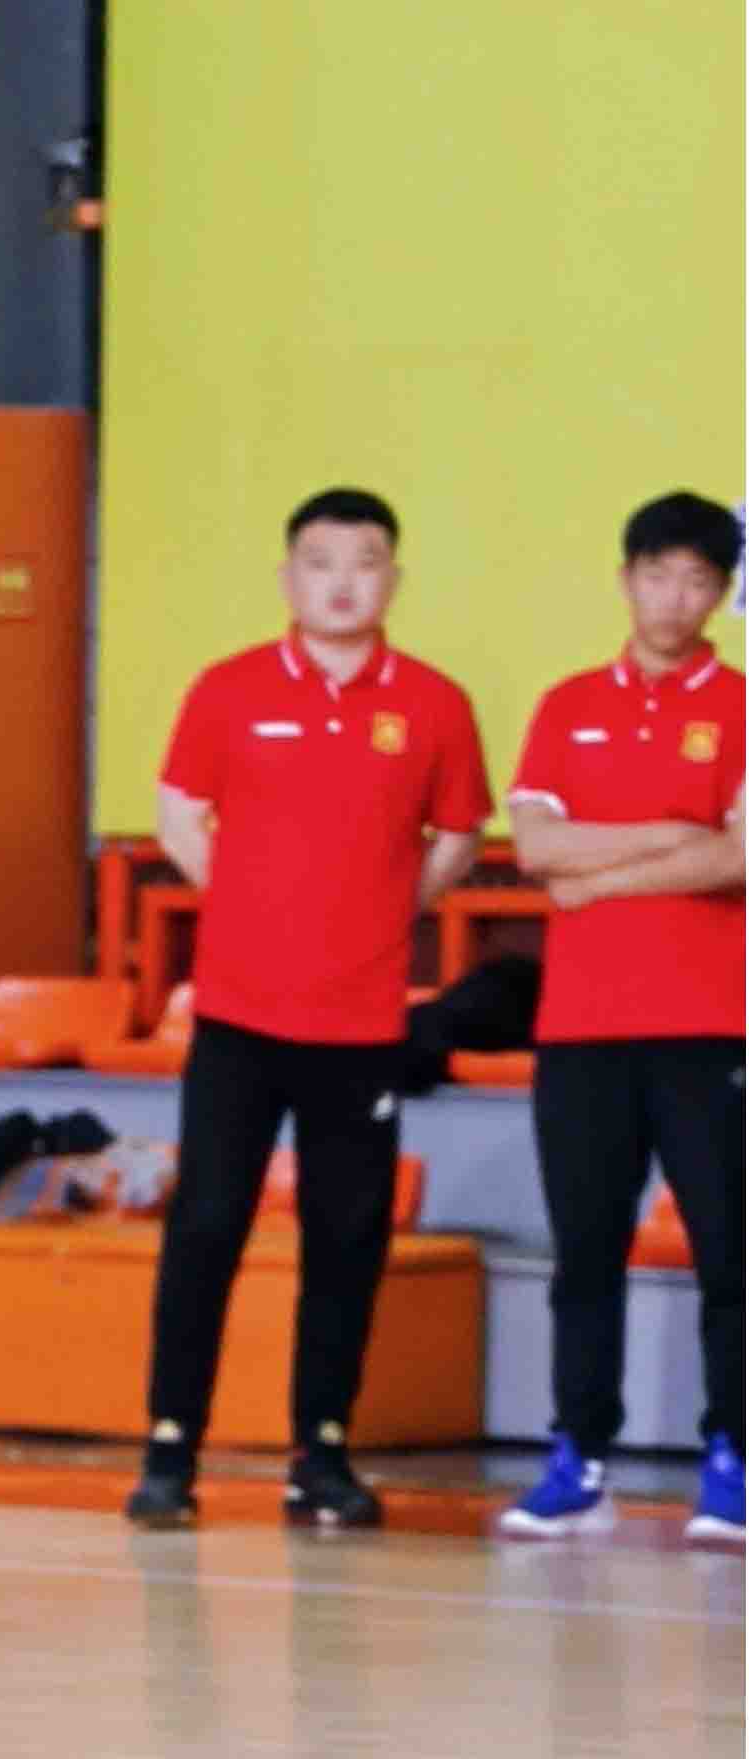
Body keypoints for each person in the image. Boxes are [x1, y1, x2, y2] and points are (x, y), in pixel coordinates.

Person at [128, 489, 488, 1531]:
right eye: (321, 562)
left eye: (364, 562)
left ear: (392, 579)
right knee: (206, 1226)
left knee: (347, 1237)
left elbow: (459, 837)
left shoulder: (434, 702)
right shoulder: (230, 688)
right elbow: (178, 814)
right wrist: (247, 904)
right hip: (238, 1019)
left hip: (362, 1025)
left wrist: (385, 905)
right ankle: (170, 1449)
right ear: (289, 577)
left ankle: (322, 1452)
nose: (341, 582)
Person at [498, 493, 744, 1545]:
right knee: (585, 1252)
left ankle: (731, 1458)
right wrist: (673, 833)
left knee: (731, 1252)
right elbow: (535, 848)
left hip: (712, 1024)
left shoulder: (742, 704)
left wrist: (598, 877)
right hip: (583, 1029)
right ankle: (579, 1457)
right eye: (657, 574)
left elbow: (739, 855)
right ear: (626, 578)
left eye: (697, 580)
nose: (674, 598)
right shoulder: (567, 705)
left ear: (721, 594)